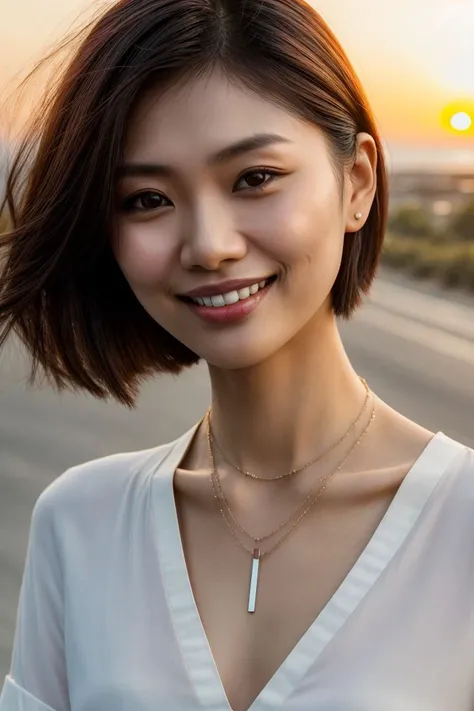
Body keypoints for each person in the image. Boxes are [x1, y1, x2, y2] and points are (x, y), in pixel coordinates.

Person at [0, 0, 473, 709]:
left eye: (254, 178)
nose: (209, 244)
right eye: (147, 199)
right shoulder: (80, 523)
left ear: (359, 183)